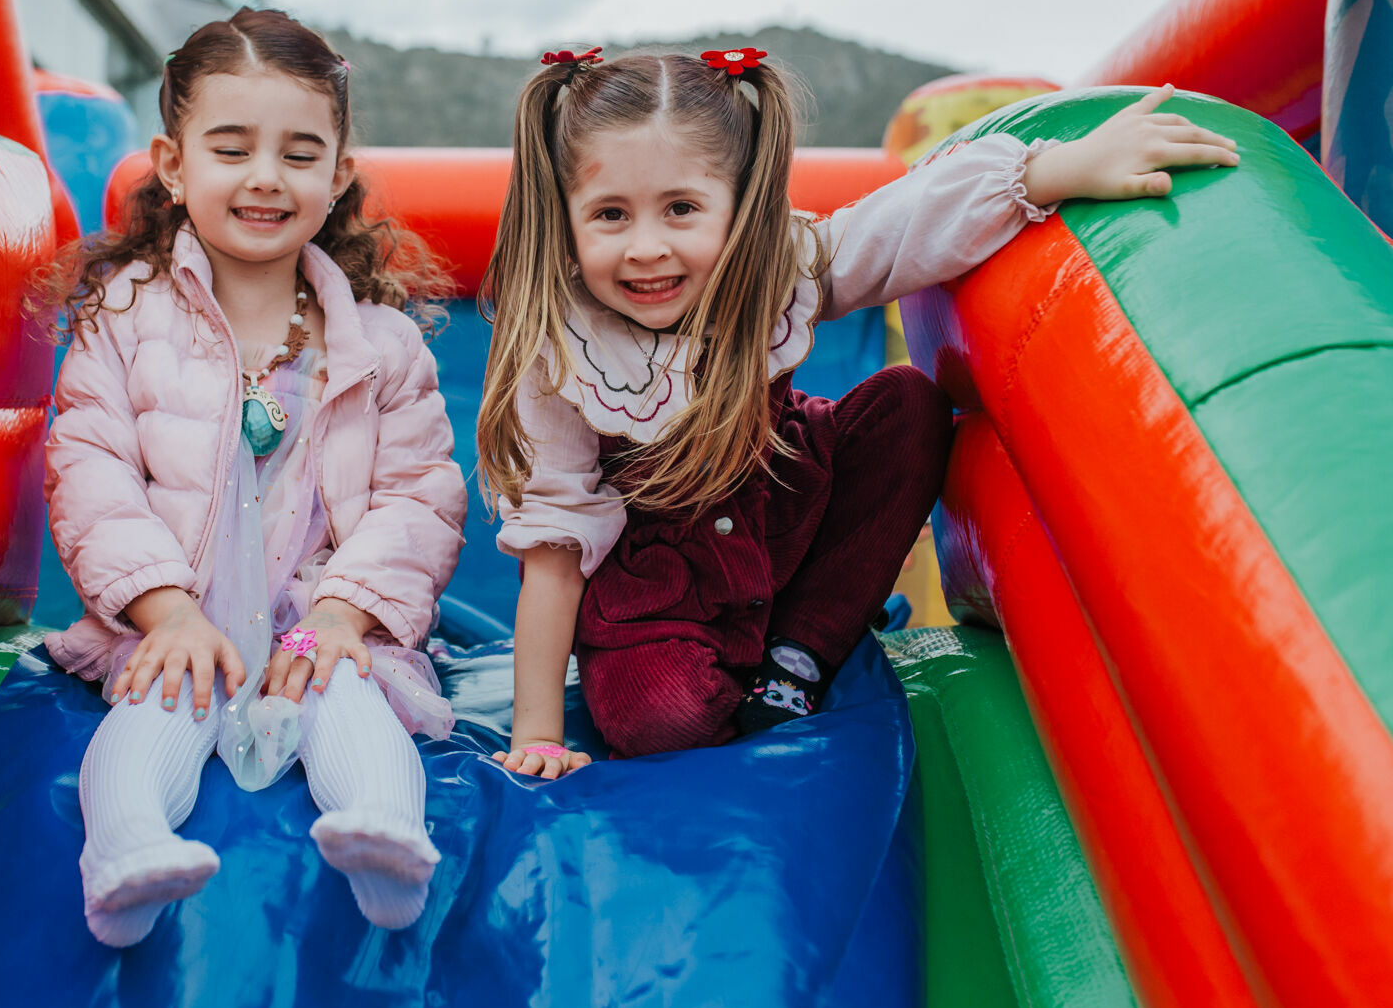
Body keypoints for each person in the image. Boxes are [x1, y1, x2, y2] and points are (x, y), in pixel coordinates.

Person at [477, 46, 1236, 777]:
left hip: (784, 516)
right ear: (565, 217)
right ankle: (762, 654)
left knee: (908, 405)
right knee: (659, 723)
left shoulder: (781, 269)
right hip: (662, 596)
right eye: (610, 215)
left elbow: (901, 224)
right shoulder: (563, 356)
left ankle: (801, 653)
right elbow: (556, 545)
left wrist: (1052, 170)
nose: (648, 248)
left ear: (739, 209)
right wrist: (538, 730)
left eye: (682, 208)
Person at [42, 7, 465, 943]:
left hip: (315, 622)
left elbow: (418, 498)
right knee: (154, 715)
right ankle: (123, 856)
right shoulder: (127, 315)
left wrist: (340, 615)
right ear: (174, 162)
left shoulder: (381, 345)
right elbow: (90, 470)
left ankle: (387, 846)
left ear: (339, 175)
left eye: (299, 153)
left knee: (351, 710)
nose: (266, 178)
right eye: (231, 149)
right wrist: (163, 609)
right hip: (182, 618)